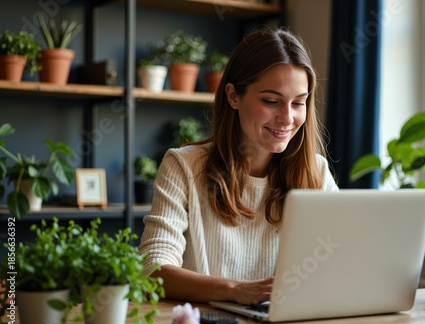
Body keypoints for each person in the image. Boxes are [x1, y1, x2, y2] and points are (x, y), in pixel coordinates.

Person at [139, 27, 339, 305]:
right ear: (233, 96)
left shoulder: (315, 172)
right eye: (271, 101)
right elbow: (152, 270)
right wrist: (233, 289)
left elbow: (342, 261)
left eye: (299, 103)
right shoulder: (183, 166)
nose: (287, 117)